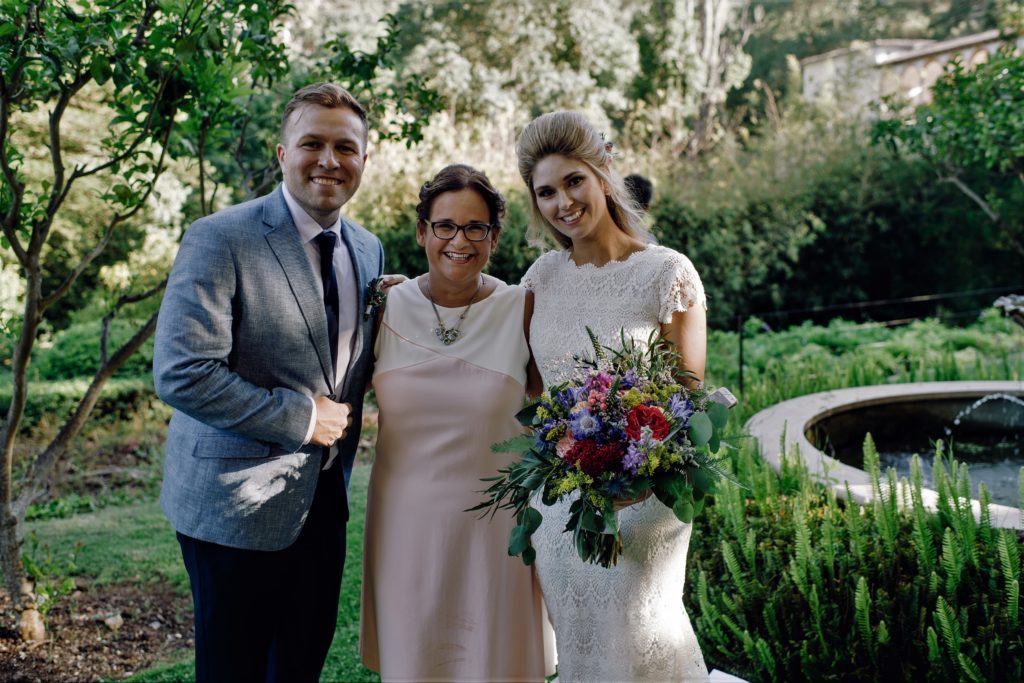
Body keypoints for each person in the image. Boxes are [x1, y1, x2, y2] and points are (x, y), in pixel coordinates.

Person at [153, 83, 383, 683]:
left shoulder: (369, 249)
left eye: (345, 147)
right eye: (312, 143)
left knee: (300, 666)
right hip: (232, 504)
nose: (329, 160)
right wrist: (304, 418)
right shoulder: (220, 237)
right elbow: (183, 371)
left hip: (324, 500)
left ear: (364, 158)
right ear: (283, 154)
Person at [515, 111, 709, 681]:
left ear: (602, 173)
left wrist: (637, 475)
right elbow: (530, 385)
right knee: (579, 650)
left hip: (642, 502)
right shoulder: (539, 279)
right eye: (545, 192)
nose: (562, 202)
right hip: (561, 504)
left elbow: (687, 400)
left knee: (639, 642)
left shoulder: (666, 272)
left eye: (573, 181)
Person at [359, 164, 551, 682]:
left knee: (490, 661)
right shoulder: (385, 304)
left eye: (475, 228)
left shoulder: (522, 307)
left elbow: (555, 404)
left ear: (494, 237)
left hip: (494, 525)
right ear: (422, 230)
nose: (459, 241)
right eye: (445, 225)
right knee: (417, 660)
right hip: (405, 523)